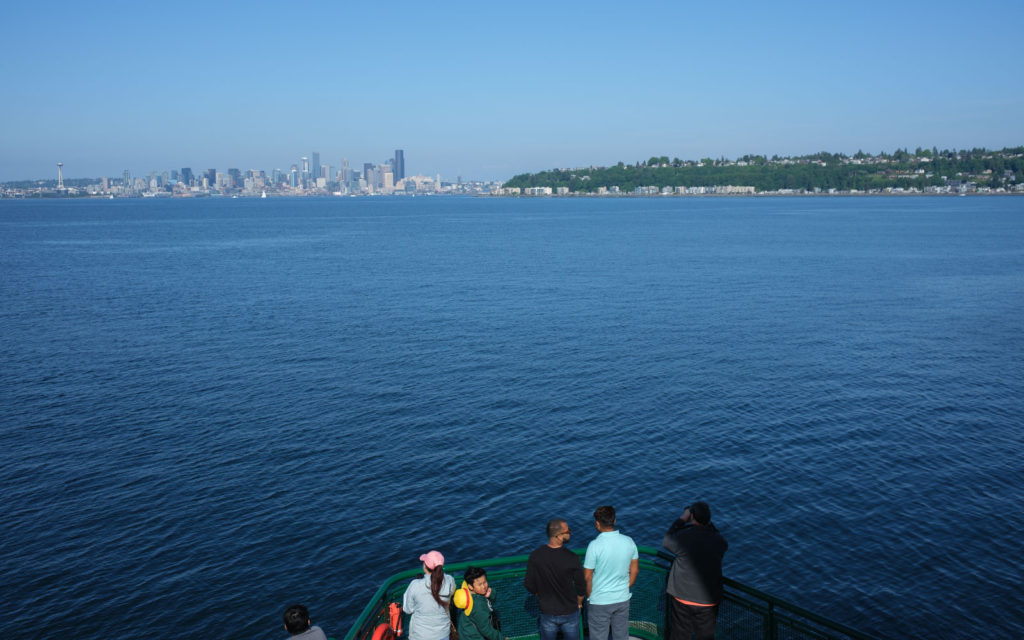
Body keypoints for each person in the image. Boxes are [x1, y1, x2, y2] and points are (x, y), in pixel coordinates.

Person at [661, 501, 728, 640]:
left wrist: (682, 519)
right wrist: (706, 524)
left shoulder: (684, 538)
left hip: (682, 597)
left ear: (692, 517)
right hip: (708, 601)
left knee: (680, 635)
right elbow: (718, 539)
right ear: (708, 519)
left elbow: (667, 541)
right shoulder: (719, 541)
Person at [524, 518, 586, 640]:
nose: (570, 532)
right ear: (558, 535)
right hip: (570, 611)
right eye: (567, 530)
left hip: (547, 611)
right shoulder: (572, 558)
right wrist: (579, 602)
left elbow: (528, 584)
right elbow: (581, 586)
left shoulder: (535, 556)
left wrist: (539, 595)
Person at [583, 506, 639, 640]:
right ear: (614, 520)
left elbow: (587, 576)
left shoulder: (594, 545)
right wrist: (625, 588)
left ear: (597, 524)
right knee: (621, 636)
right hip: (622, 598)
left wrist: (591, 596)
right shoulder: (629, 542)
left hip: (599, 600)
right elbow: (635, 570)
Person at [403, 550, 456, 640]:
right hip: (443, 634)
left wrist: (419, 581)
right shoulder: (450, 580)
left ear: (425, 566)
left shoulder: (415, 585)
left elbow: (407, 609)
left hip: (420, 635)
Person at [454, 566, 505, 640]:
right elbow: (486, 630)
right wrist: (502, 638)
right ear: (471, 587)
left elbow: (490, 598)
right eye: (479, 584)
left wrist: (490, 594)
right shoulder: (477, 605)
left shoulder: (468, 590)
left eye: (485, 582)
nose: (484, 586)